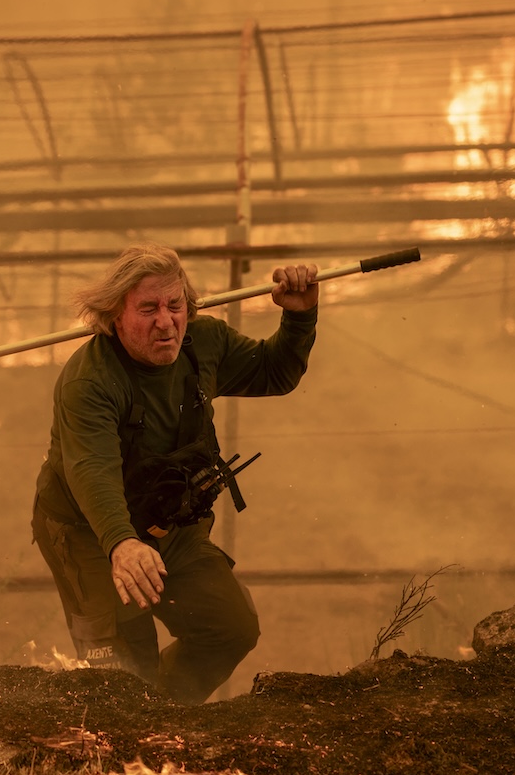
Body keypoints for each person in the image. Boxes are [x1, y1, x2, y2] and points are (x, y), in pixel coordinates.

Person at [31, 242, 319, 704]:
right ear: (115, 316)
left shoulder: (205, 343)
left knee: (229, 627)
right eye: (147, 308)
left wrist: (300, 317)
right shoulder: (90, 382)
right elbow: (91, 471)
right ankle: (127, 737)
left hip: (168, 521)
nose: (165, 322)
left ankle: (166, 720)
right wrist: (121, 544)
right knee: (125, 672)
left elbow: (274, 372)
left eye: (174, 304)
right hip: (90, 531)